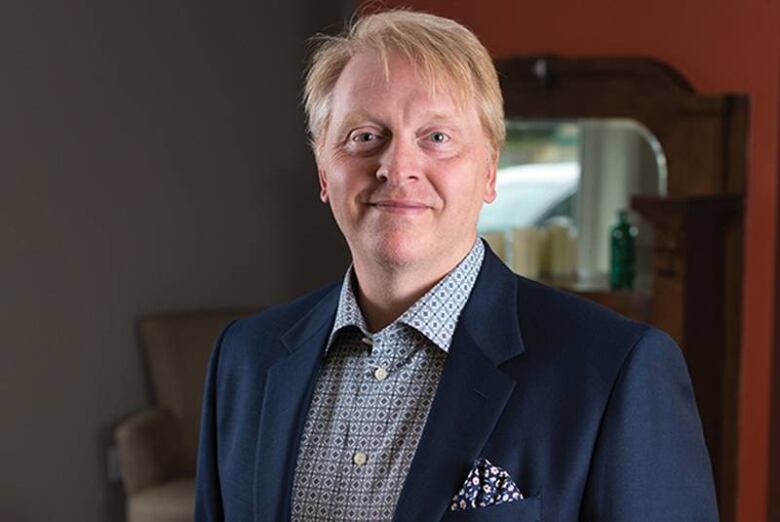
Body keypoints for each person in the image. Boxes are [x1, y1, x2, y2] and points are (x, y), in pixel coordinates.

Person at [195, 9, 718, 522]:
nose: (397, 167)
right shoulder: (244, 358)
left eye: (437, 137)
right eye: (364, 136)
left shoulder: (613, 371)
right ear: (324, 173)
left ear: (490, 172)